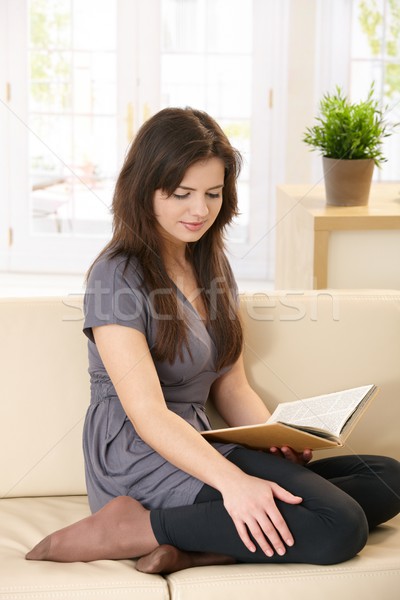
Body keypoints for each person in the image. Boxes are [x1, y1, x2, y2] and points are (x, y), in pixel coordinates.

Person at [26, 107, 400, 573]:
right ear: (145, 190)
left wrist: (275, 438)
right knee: (339, 526)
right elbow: (147, 416)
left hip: (204, 441)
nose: (199, 210)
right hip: (140, 453)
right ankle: (134, 527)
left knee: (387, 478)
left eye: (212, 193)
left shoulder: (212, 267)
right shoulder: (115, 276)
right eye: (181, 193)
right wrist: (233, 482)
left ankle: (194, 549)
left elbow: (231, 385)